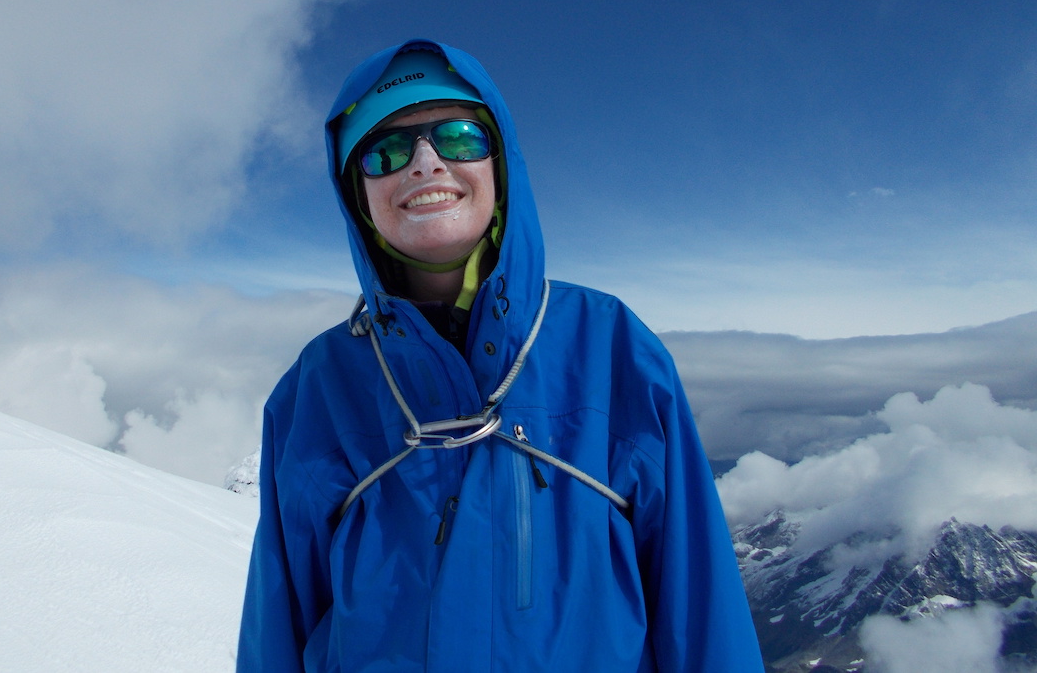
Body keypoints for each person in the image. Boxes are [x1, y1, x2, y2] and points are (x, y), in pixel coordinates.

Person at [237, 39, 763, 672]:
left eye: (458, 137)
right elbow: (280, 620)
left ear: (500, 164)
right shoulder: (316, 390)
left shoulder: (611, 347)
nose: (426, 164)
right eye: (386, 151)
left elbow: (698, 598)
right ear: (359, 196)